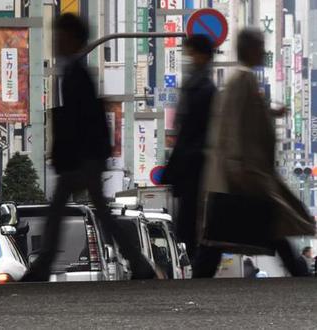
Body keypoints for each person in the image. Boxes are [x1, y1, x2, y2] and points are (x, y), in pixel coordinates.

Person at [21, 14, 154, 282]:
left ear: (73, 39)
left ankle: (43, 265)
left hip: (81, 157)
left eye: (60, 36)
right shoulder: (75, 71)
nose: (56, 41)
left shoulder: (75, 73)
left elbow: (78, 120)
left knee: (61, 210)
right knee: (97, 213)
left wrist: (67, 154)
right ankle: (139, 264)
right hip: (87, 156)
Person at [199, 28, 316, 278]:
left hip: (244, 171)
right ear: (251, 49)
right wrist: (235, 165)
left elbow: (242, 117)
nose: (264, 51)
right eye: (261, 46)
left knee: (229, 233)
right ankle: (299, 273)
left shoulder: (241, 78)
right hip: (244, 172)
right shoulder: (243, 78)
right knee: (264, 225)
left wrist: (270, 112)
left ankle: (298, 270)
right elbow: (232, 124)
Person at [161, 35, 217, 264]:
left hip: (194, 160)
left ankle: (202, 262)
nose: (189, 58)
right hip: (195, 159)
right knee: (193, 216)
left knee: (192, 216)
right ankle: (201, 261)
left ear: (202, 55)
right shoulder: (200, 83)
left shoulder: (202, 87)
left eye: (192, 53)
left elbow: (189, 129)